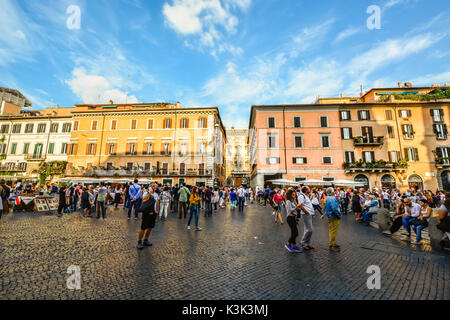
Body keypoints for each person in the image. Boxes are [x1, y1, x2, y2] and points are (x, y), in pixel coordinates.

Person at [297, 186, 315, 250]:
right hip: (306, 214)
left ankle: (308, 244)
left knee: (307, 229)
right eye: (308, 189)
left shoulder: (306, 195)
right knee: (310, 229)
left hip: (309, 214)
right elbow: (300, 205)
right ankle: (303, 242)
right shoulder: (301, 196)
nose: (310, 189)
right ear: (306, 190)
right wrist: (306, 212)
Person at [324, 187, 341, 252]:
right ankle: (331, 245)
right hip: (333, 216)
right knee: (333, 231)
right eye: (334, 191)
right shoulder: (332, 199)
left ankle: (332, 243)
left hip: (329, 216)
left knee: (332, 230)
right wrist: (339, 215)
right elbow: (335, 209)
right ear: (332, 192)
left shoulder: (328, 198)